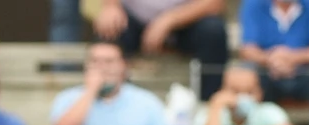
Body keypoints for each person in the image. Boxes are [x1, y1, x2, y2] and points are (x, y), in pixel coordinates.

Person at [93, 0, 230, 101]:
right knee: (108, 29)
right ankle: (110, 100)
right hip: (132, 20)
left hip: (187, 20)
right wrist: (111, 6)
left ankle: (208, 105)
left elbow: (214, 3)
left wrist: (169, 20)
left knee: (213, 31)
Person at [50, 41, 183, 125]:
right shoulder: (67, 98)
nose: (102, 68)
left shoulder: (147, 102)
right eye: (95, 61)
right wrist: (91, 90)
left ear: (124, 66)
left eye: (109, 62)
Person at [237, 0, 309, 110]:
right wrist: (271, 60)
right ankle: (248, 123)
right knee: (246, 71)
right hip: (268, 72)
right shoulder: (253, 3)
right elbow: (247, 50)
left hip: (304, 73)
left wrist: (292, 58)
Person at [197, 60, 297, 125]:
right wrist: (216, 107)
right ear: (222, 90)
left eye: (249, 92)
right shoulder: (209, 114)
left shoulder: (269, 111)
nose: (242, 97)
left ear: (260, 93)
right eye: (235, 91)